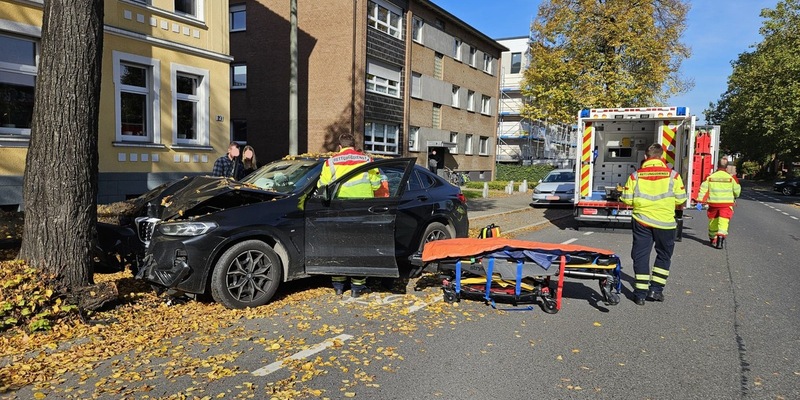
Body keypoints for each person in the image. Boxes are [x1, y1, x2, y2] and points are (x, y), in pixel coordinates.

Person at [620, 143, 687, 305]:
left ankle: (640, 294)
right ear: (662, 157)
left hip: (642, 221)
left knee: (641, 255)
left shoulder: (635, 176)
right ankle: (656, 291)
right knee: (664, 255)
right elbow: (681, 199)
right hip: (665, 222)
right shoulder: (674, 176)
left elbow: (627, 199)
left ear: (645, 157)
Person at [317, 133, 380, 297]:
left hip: (339, 209)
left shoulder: (330, 162)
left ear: (340, 146)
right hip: (363, 209)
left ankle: (338, 285)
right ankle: (357, 287)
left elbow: (322, 186)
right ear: (354, 145)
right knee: (360, 247)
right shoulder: (367, 160)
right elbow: (376, 184)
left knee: (339, 246)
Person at [696, 158, 741, 248]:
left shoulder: (710, 177)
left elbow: (703, 190)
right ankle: (720, 240)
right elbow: (737, 192)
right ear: (727, 167)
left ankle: (713, 238)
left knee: (713, 221)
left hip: (713, 204)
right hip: (726, 205)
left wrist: (700, 202)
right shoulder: (731, 178)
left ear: (717, 166)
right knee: (723, 222)